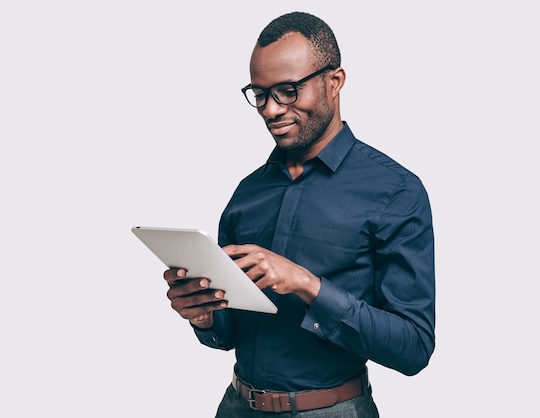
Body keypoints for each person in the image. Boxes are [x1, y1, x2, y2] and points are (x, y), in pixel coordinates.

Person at [163, 11, 435, 418]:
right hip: (236, 406)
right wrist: (204, 317)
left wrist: (307, 284)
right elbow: (231, 332)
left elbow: (414, 348)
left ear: (335, 81)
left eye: (288, 90)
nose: (271, 110)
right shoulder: (247, 194)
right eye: (260, 94)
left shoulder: (396, 192)